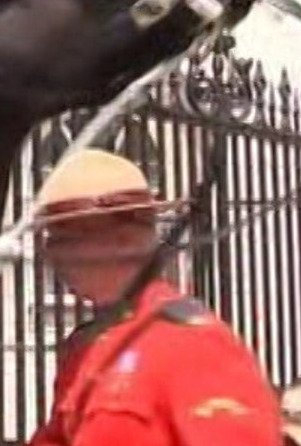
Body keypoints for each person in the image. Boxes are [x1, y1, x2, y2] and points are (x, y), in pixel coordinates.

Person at [27, 148, 281, 446]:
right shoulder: (85, 348)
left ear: (122, 240)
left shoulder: (192, 344)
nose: (51, 254)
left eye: (64, 238)